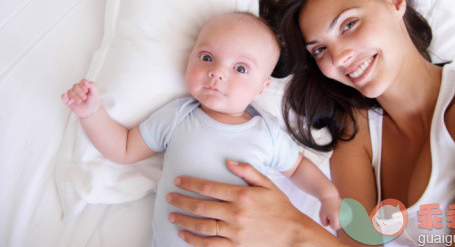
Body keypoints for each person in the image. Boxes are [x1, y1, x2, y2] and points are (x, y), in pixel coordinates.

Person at [165, 0, 455, 247]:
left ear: (395, 1)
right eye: (319, 50)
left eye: (349, 24)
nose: (340, 57)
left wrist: (291, 228)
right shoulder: (356, 136)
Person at [61, 12, 340, 247]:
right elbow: (123, 148)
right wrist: (92, 113)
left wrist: (327, 195)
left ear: (262, 88)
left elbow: (297, 167)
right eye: (207, 57)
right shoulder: (177, 117)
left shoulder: (266, 133)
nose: (217, 72)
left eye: (240, 68)